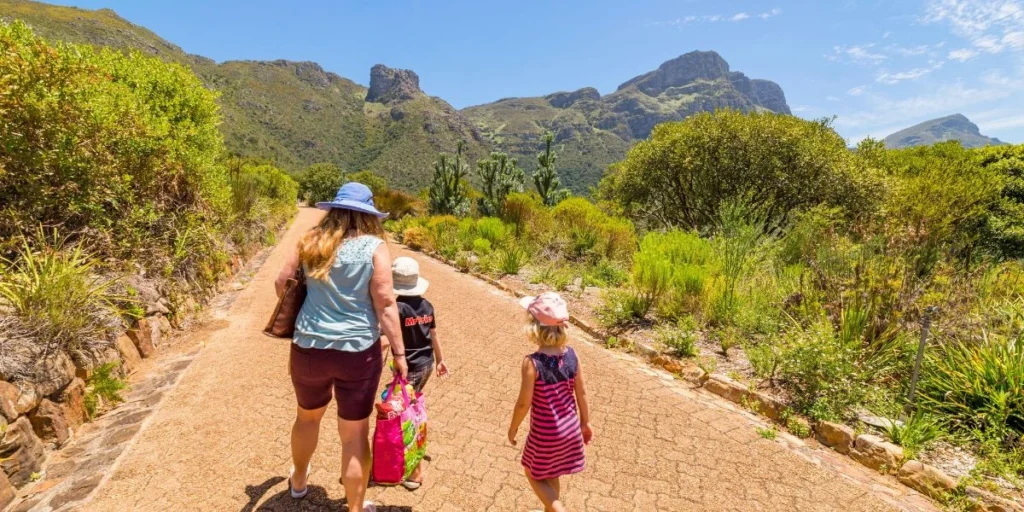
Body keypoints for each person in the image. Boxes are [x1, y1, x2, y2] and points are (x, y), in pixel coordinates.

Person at [275, 182, 408, 512]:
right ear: (368, 216)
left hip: (308, 347)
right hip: (357, 352)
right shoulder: (374, 248)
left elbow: (282, 283)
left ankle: (299, 482)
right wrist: (401, 353)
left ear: (333, 210)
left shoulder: (309, 241)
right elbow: (386, 303)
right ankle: (355, 507)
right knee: (353, 435)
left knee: (307, 418)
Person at [507, 292, 592, 512]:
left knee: (532, 471)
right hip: (571, 429)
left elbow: (523, 404)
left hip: (546, 433)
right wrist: (586, 423)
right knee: (551, 472)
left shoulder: (532, 363)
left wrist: (513, 427)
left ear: (534, 328)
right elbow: (581, 393)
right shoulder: (572, 355)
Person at [385, 256, 449, 490]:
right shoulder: (427, 306)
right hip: (426, 364)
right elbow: (434, 335)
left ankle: (415, 472)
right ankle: (410, 456)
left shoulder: (397, 308)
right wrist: (440, 360)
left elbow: (387, 339)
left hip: (408, 367)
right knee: (410, 406)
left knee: (405, 415)